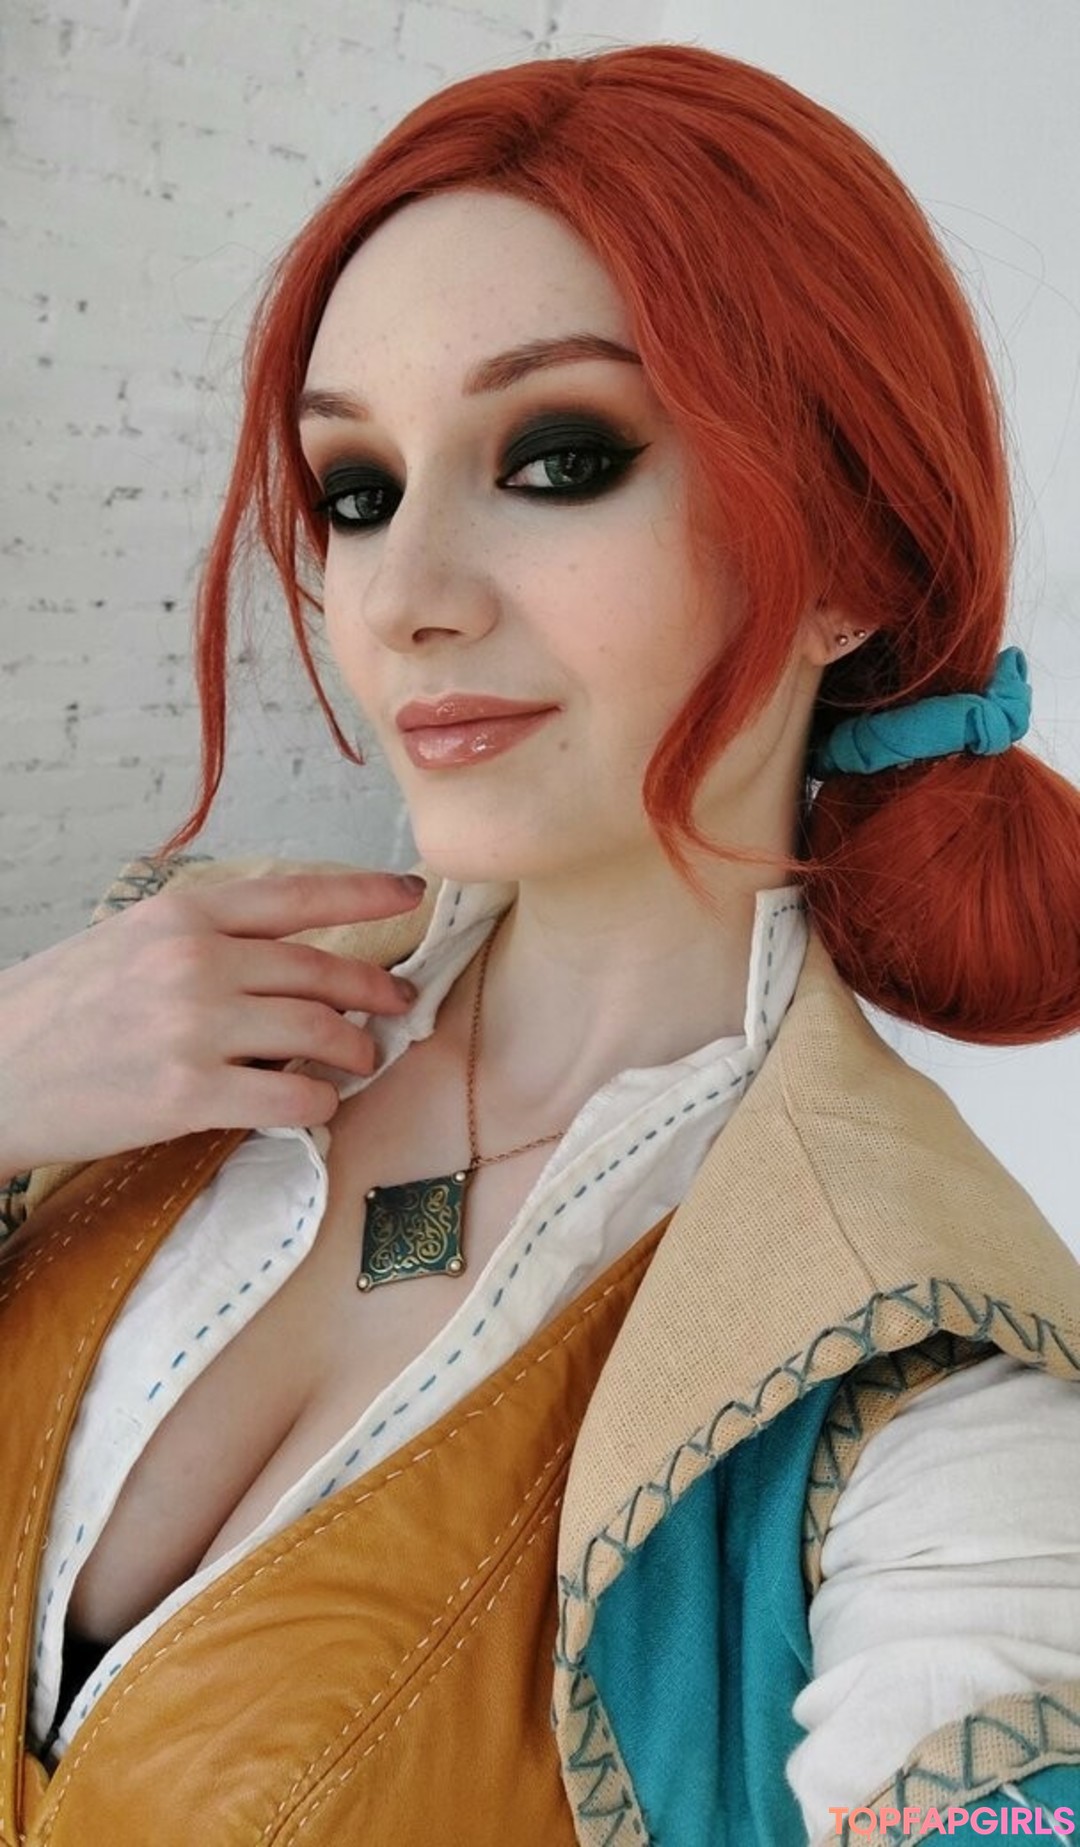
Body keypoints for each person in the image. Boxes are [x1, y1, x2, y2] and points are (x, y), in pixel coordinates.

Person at [1, 40, 1078, 1847]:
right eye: (357, 489)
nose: (405, 600)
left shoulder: (925, 1387)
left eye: (560, 459)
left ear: (847, 558)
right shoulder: (153, 1001)